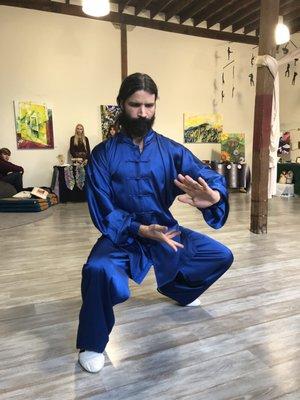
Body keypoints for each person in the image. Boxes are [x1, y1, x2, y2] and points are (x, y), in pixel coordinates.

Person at [76, 73, 234, 373]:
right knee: (98, 270)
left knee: (219, 256)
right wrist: (139, 229)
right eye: (135, 105)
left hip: (164, 232)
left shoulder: (170, 150)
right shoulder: (103, 155)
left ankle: (180, 291)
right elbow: (102, 210)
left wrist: (213, 195)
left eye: (149, 105)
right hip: (122, 235)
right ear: (122, 104)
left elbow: (207, 174)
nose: (143, 113)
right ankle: (92, 343)